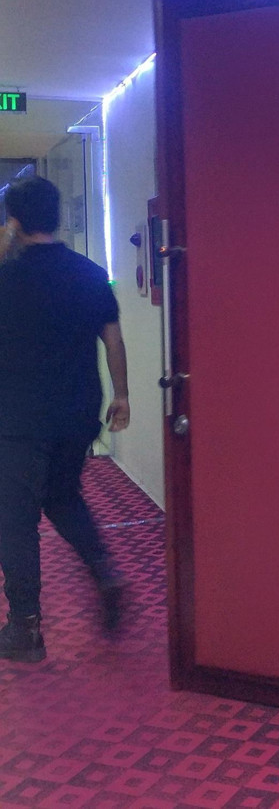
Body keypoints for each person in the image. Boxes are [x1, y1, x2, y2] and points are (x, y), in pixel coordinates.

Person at [0, 175, 130, 662]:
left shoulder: (6, 277)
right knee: (61, 495)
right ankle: (104, 571)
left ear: (14, 222)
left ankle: (26, 629)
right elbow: (113, 339)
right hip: (78, 414)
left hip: (17, 419)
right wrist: (122, 395)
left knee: (15, 521)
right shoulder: (91, 273)